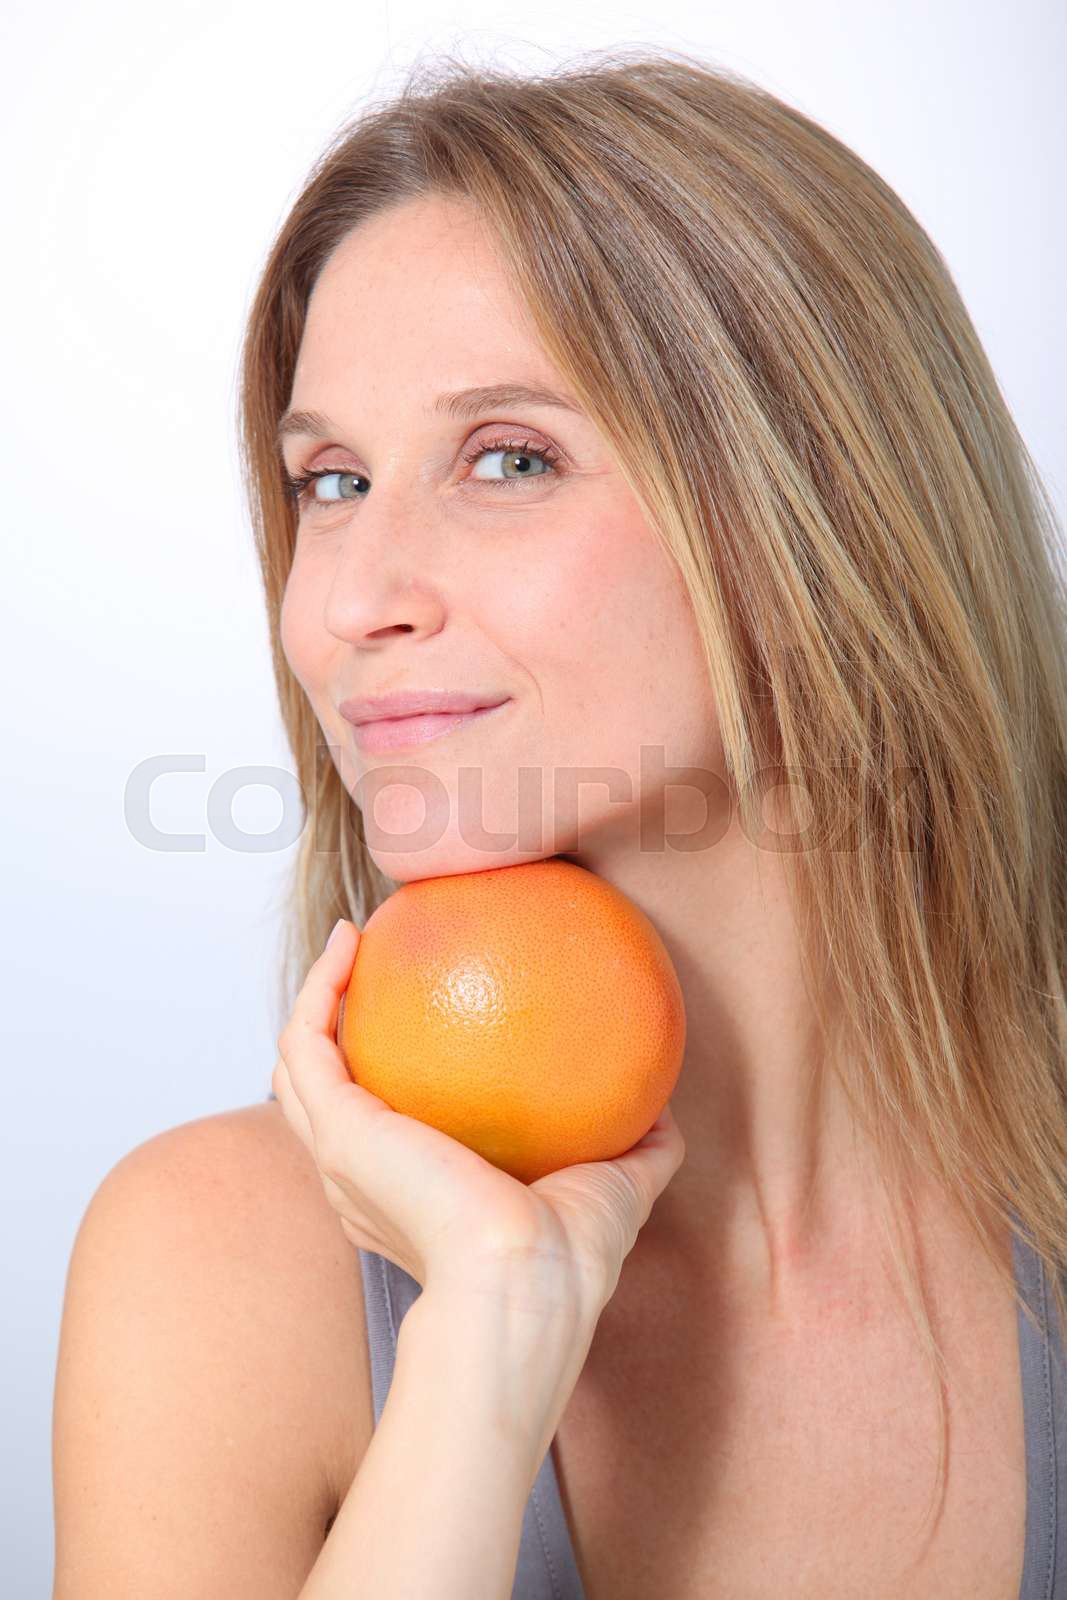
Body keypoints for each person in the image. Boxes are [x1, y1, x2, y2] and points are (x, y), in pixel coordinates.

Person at [52, 48, 1067, 1600]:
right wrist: (484, 1346)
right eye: (330, 481)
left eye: (508, 459)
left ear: (814, 510)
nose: (350, 600)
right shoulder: (217, 1271)